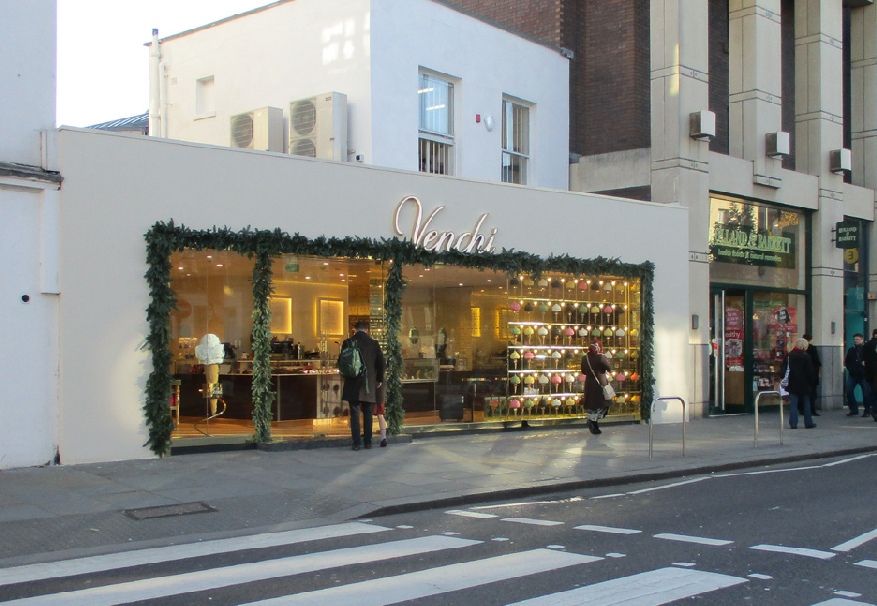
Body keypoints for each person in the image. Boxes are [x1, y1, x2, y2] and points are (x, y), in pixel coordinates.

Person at [339, 321, 385, 451]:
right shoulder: (373, 344)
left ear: (354, 330)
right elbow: (381, 363)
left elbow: (341, 362)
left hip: (352, 382)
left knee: (354, 414)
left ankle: (356, 443)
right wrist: (379, 378)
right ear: (367, 330)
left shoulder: (348, 342)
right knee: (368, 413)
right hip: (368, 384)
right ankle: (368, 442)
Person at [781, 337, 817, 429]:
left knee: (793, 403)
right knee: (806, 403)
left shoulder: (789, 355)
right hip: (804, 383)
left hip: (792, 382)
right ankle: (808, 423)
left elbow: (783, 369)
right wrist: (811, 381)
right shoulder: (806, 356)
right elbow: (809, 371)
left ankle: (793, 423)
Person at [581, 341, 612, 435]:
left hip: (589, 384)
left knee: (593, 405)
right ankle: (592, 421)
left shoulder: (584, 358)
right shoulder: (601, 357)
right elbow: (609, 368)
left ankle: (593, 423)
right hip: (600, 384)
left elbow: (583, 371)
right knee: (604, 404)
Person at [844, 333, 870, 417]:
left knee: (866, 392)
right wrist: (850, 368)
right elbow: (847, 361)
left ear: (862, 340)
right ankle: (853, 409)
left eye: (857, 339)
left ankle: (867, 410)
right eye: (855, 339)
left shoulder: (866, 349)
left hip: (863, 374)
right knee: (849, 390)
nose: (856, 341)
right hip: (853, 374)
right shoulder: (851, 350)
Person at [802, 333, 821, 417]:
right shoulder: (812, 349)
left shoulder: (797, 350)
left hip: (802, 376)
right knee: (812, 393)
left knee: (802, 393)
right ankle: (811, 410)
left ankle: (802, 409)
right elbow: (817, 361)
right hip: (812, 374)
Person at [862, 329, 877, 418]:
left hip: (869, 372)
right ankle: (874, 409)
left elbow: (863, 359)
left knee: (872, 391)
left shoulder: (867, 344)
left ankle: (872, 408)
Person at [375, 380, 388, 447]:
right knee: (380, 414)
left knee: (368, 413)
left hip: (375, 388)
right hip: (381, 391)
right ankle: (383, 437)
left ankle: (367, 433)